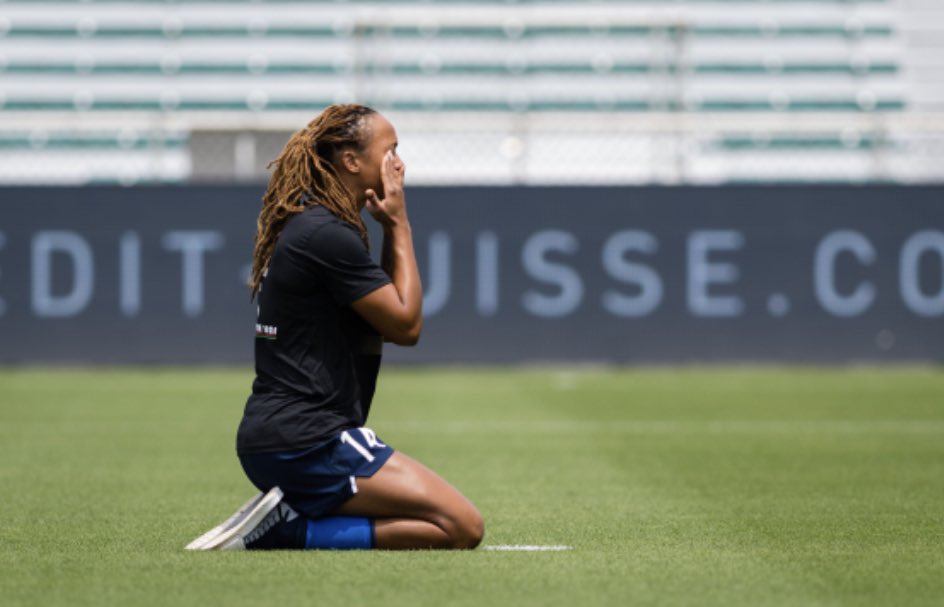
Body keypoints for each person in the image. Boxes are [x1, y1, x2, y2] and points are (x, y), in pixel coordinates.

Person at [186, 104, 484, 551]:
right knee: (461, 526)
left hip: (286, 439)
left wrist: (385, 228)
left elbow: (383, 320)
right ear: (351, 160)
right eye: (391, 151)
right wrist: (400, 224)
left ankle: (294, 515)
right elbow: (406, 325)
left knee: (449, 523)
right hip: (310, 441)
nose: (399, 164)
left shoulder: (318, 227)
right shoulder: (324, 235)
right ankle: (290, 529)